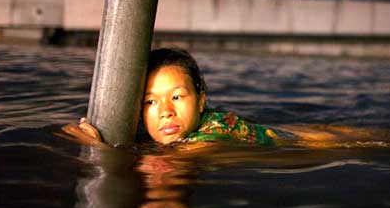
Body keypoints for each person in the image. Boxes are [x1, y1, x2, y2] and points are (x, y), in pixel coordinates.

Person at [64, 48, 279, 146]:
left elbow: (182, 159)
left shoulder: (214, 134)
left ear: (201, 101)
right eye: (151, 102)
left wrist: (95, 148)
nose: (166, 112)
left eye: (176, 97)